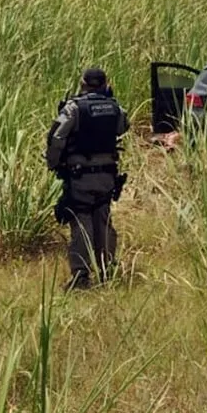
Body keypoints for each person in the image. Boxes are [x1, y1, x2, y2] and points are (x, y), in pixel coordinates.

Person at [45, 68, 130, 290]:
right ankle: (106, 269)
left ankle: (81, 276)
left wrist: (53, 163)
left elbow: (56, 137)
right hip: (106, 176)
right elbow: (122, 127)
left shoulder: (74, 109)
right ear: (105, 84)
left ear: (83, 84)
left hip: (80, 175)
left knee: (82, 222)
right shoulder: (115, 108)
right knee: (103, 219)